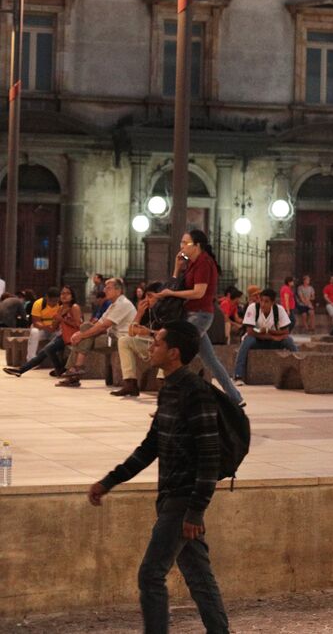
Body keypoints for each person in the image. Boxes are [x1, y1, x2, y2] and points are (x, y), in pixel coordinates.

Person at [88, 320, 229, 633]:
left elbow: (210, 457)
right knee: (199, 577)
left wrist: (195, 510)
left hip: (183, 500)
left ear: (174, 353)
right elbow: (150, 447)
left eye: (157, 343)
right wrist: (108, 481)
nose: (150, 347)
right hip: (169, 498)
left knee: (151, 574)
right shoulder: (169, 391)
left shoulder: (196, 393)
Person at [163, 229, 243, 406]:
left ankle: (172, 399)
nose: (182, 247)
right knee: (210, 360)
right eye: (181, 243)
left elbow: (199, 292)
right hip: (191, 314)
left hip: (200, 315)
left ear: (197, 245)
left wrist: (173, 294)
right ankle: (235, 398)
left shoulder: (204, 263)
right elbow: (175, 286)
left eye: (186, 243)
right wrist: (177, 268)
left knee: (177, 355)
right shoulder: (192, 263)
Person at [60, 279, 138, 388]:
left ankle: (74, 370)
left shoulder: (123, 304)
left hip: (122, 340)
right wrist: (79, 333)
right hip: (112, 338)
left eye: (108, 288)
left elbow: (104, 326)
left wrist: (81, 335)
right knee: (86, 327)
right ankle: (76, 370)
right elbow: (98, 323)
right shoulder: (112, 305)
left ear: (118, 290)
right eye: (105, 287)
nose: (105, 290)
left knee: (84, 335)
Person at [6, 285, 78, 378]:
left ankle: (59, 369)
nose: (64, 296)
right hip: (61, 335)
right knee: (46, 350)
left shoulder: (74, 307)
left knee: (47, 349)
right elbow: (52, 325)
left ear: (72, 296)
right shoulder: (60, 308)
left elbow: (78, 325)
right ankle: (21, 370)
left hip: (71, 336)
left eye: (67, 293)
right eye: (63, 293)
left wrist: (62, 320)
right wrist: (54, 324)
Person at [232, 289, 297, 384]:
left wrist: (267, 331)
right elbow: (250, 331)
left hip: (273, 342)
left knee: (289, 340)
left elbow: (285, 331)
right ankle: (238, 375)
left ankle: (300, 371)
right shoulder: (253, 308)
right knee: (247, 340)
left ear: (273, 303)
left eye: (266, 301)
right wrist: (272, 336)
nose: (262, 304)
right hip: (257, 341)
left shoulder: (279, 310)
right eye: (261, 300)